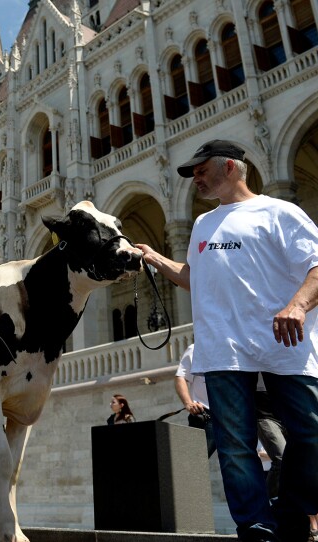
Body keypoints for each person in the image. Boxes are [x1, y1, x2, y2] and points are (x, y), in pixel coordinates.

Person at [136, 139, 318, 542]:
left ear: (232, 168)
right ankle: (256, 530)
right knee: (236, 451)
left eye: (202, 170)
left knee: (310, 434)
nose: (195, 179)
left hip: (285, 345)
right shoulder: (203, 224)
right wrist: (154, 258)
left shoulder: (279, 211)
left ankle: (290, 512)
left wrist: (298, 306)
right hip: (223, 353)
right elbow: (191, 278)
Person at [174, 344, 215, 456]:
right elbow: (181, 377)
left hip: (230, 415)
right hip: (205, 415)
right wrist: (188, 403)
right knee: (193, 461)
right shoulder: (196, 349)